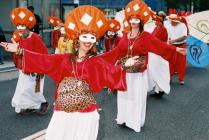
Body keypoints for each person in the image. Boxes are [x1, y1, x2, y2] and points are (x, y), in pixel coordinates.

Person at [1, 6, 138, 140]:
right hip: (63, 113)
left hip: (85, 115)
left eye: (92, 38)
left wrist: (124, 66)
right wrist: (20, 51)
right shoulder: (64, 59)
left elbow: (111, 73)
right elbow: (43, 59)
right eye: (85, 36)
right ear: (78, 38)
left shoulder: (95, 62)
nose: (88, 41)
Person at [101, 0, 186, 132]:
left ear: (141, 22)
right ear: (129, 21)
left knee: (137, 98)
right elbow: (116, 52)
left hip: (138, 73)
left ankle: (134, 122)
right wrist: (98, 58)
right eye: (132, 20)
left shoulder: (145, 36)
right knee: (124, 96)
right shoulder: (125, 36)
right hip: (124, 72)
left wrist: (175, 49)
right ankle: (123, 118)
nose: (134, 22)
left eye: (136, 20)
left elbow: (159, 45)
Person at [9, 7, 49, 115]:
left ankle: (43, 103)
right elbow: (19, 53)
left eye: (22, 26)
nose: (20, 28)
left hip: (36, 69)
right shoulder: (21, 38)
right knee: (24, 89)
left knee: (35, 89)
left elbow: (43, 53)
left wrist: (42, 67)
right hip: (25, 68)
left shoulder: (35, 37)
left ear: (27, 26)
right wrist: (17, 58)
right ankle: (31, 106)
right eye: (18, 26)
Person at [149, 11, 169, 98]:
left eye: (157, 19)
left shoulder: (163, 29)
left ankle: (161, 90)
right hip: (154, 52)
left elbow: (157, 41)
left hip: (159, 53)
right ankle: (157, 91)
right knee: (155, 72)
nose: (155, 21)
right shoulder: (156, 28)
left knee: (158, 72)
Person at [167, 14, 188, 85]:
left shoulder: (182, 25)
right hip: (173, 46)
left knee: (182, 63)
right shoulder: (168, 27)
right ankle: (169, 78)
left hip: (182, 45)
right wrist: (170, 41)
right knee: (171, 63)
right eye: (170, 21)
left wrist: (174, 40)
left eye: (172, 21)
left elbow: (184, 36)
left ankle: (181, 79)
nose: (171, 22)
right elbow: (169, 37)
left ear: (176, 21)